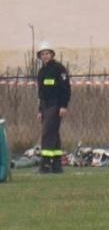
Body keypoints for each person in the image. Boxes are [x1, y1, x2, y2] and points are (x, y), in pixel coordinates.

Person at [35, 42, 71, 173]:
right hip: (45, 105)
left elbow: (65, 89)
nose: (45, 56)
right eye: (43, 54)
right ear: (40, 56)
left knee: (47, 133)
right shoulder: (41, 72)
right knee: (54, 134)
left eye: (47, 53)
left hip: (56, 105)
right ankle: (56, 165)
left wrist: (63, 106)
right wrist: (40, 110)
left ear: (52, 54)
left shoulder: (59, 69)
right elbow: (41, 93)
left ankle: (45, 164)